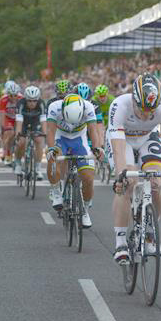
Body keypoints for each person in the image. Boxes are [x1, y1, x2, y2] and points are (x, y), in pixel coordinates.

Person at [107, 73, 161, 264]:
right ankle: (120, 242)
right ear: (134, 99)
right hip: (122, 139)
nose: (145, 115)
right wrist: (120, 177)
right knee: (129, 182)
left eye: (150, 111)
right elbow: (117, 149)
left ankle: (150, 231)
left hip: (147, 139)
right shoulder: (119, 105)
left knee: (157, 182)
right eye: (141, 109)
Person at [46, 94, 103, 228]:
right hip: (61, 137)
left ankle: (85, 210)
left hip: (79, 139)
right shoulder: (54, 107)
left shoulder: (88, 107)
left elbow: (93, 131)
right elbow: (50, 131)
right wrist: (50, 149)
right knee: (54, 156)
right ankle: (55, 190)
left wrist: (97, 149)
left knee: (88, 178)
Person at [14, 86, 46, 180]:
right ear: (25, 99)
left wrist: (45, 133)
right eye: (29, 101)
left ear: (38, 99)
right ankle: (18, 164)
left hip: (35, 122)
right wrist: (18, 134)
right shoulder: (20, 104)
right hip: (23, 122)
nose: (32, 103)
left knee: (39, 140)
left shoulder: (41, 104)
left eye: (34, 101)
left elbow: (43, 120)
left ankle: (38, 168)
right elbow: (19, 122)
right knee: (21, 142)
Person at [0, 81, 23, 165]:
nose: (13, 98)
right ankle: (7, 154)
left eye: (15, 95)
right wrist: (3, 128)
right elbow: (2, 116)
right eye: (10, 95)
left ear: (18, 94)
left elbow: (24, 114)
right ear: (7, 94)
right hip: (8, 118)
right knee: (9, 133)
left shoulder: (21, 99)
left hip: (18, 118)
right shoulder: (3, 100)